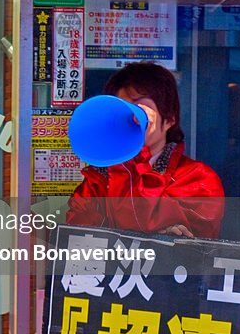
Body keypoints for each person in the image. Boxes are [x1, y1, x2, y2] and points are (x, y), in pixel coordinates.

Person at [67, 62, 225, 238]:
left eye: (141, 107)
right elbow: (79, 239)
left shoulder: (197, 179)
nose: (133, 117)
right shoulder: (99, 180)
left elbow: (197, 246)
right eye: (123, 109)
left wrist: (132, 158)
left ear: (170, 119)